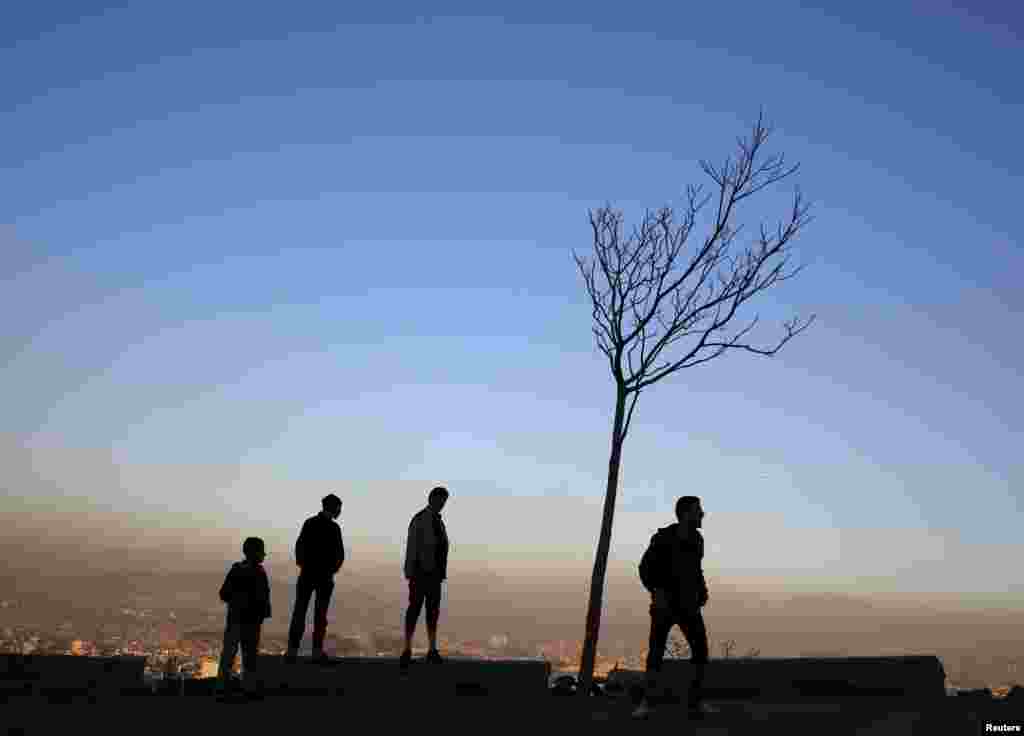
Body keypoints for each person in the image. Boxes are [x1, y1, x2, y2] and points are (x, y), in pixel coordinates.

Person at [632, 496, 719, 719]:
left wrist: (702, 591)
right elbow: (645, 568)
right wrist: (658, 593)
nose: (702, 514)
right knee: (656, 653)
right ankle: (647, 703)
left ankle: (696, 702)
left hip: (689, 606)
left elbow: (696, 570)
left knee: (701, 651)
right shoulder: (663, 538)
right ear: (686, 513)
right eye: (698, 510)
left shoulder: (698, 540)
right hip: (665, 607)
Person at [285, 493, 345, 663]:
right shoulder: (334, 529)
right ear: (333, 508)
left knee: (300, 612)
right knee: (320, 615)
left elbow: (299, 547)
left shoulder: (310, 523)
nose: (340, 511)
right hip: (324, 577)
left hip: (307, 574)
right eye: (339, 508)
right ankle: (317, 652)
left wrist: (304, 565)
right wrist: (332, 570)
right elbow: (339, 554)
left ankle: (292, 651)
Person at [399, 486, 450, 671]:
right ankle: (407, 649)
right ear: (432, 499)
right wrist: (410, 572)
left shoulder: (437, 521)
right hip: (420, 574)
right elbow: (412, 546)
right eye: (440, 500)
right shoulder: (420, 519)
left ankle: (431, 649)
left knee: (432, 612)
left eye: (444, 501)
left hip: (434, 576)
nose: (442, 504)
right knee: (414, 610)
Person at [216, 536, 271, 701]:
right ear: (255, 553)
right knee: (249, 658)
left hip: (235, 620)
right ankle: (248, 689)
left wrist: (236, 602)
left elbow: (224, 593)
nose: (264, 556)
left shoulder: (237, 569)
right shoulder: (259, 573)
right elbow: (263, 599)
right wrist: (260, 614)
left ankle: (222, 688)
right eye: (262, 552)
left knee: (228, 655)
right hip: (251, 623)